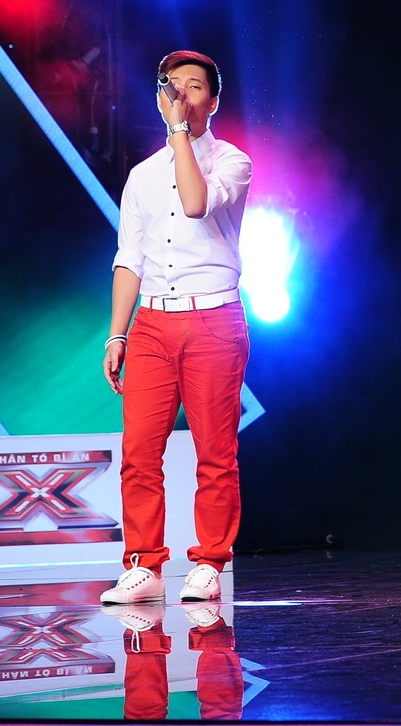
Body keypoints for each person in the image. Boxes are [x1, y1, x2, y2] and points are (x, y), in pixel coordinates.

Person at [100, 51, 252, 606]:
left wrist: (180, 134)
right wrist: (118, 334)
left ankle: (210, 561)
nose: (183, 95)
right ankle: (144, 564)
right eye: (173, 86)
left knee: (215, 453)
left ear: (213, 101)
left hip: (213, 319)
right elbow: (129, 258)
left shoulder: (232, 161)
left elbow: (194, 203)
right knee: (139, 452)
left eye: (195, 87)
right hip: (152, 323)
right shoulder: (141, 175)